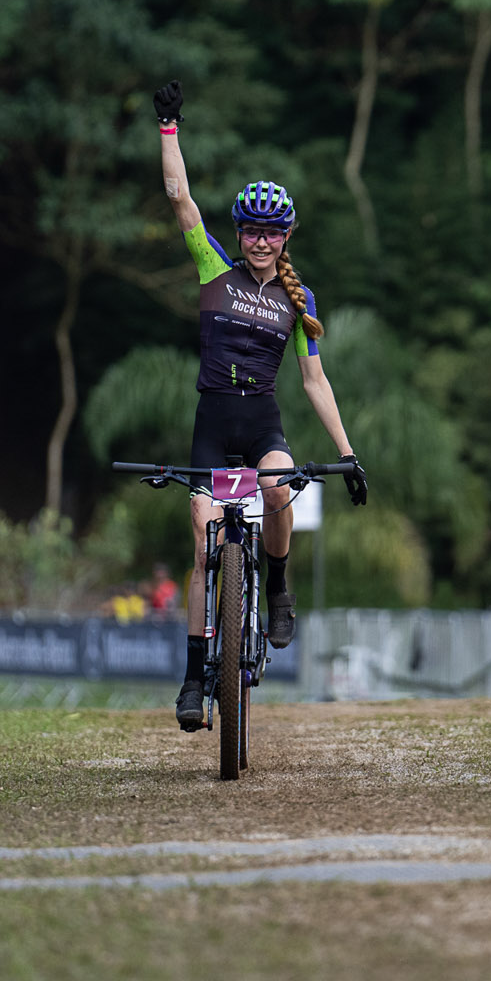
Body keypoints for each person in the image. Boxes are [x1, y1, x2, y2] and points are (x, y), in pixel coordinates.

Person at [153, 79, 368, 732]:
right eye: (251, 231)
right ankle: (195, 680)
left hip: (262, 423)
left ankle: (277, 589)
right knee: (202, 539)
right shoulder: (212, 268)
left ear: (286, 236)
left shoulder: (298, 305)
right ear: (241, 235)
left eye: (271, 234)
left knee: (279, 495)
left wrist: (348, 454)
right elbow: (180, 200)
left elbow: (314, 384)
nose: (259, 242)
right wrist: (169, 127)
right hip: (213, 423)